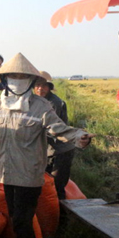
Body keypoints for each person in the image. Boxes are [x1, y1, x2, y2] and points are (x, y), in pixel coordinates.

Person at [0, 53, 92, 238]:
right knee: (19, 221)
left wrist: (78, 137)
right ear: (5, 79)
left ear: (31, 81)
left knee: (21, 222)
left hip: (29, 174)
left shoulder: (41, 106)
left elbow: (59, 129)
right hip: (7, 173)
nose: (17, 80)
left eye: (22, 77)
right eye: (13, 76)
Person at [34, 71, 75, 200]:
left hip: (61, 150)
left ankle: (62, 218)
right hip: (49, 150)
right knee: (46, 185)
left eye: (44, 86)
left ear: (50, 87)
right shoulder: (38, 101)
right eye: (38, 85)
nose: (40, 88)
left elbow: (51, 128)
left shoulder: (53, 103)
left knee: (57, 187)